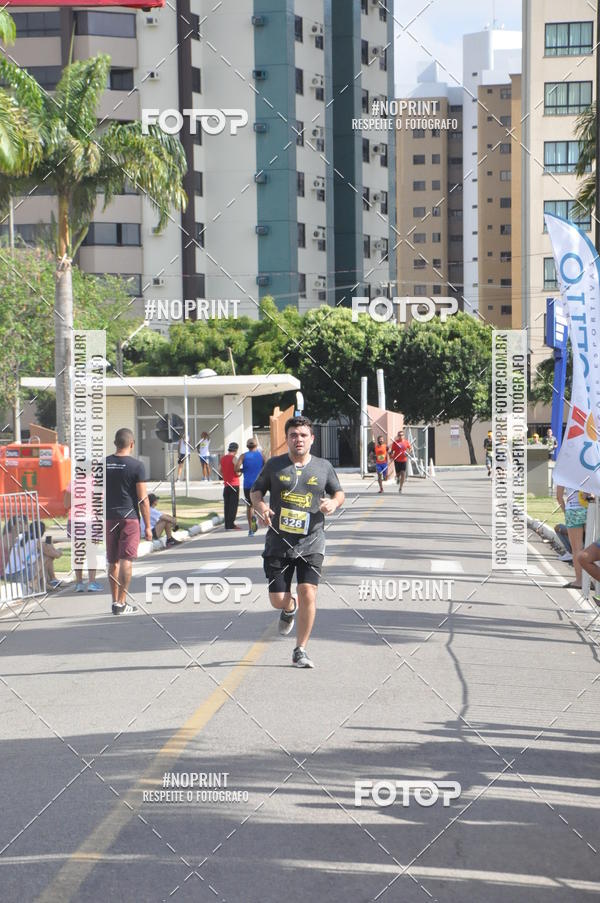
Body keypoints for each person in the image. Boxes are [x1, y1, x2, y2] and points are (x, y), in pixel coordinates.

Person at [250, 415, 345, 669]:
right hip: (278, 544)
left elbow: (338, 491)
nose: (298, 439)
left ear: (312, 439)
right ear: (287, 439)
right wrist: (261, 507)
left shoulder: (323, 467)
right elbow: (256, 490)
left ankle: (300, 649)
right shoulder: (274, 465)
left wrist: (333, 503)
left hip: (312, 541)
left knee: (308, 593)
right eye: (293, 435)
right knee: (278, 598)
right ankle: (288, 607)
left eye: (303, 435)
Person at [106, 427, 151, 615]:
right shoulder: (137, 466)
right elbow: (142, 499)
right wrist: (148, 526)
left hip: (110, 518)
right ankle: (122, 603)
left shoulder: (104, 464)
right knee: (126, 560)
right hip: (129, 518)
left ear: (115, 443)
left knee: (113, 561)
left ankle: (115, 601)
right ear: (131, 444)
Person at [64, 480, 102, 592]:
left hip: (76, 520)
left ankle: (79, 583)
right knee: (91, 553)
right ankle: (91, 582)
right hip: (92, 521)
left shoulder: (73, 484)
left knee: (78, 553)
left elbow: (66, 504)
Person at [557, 485, 588, 589]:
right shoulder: (588, 469)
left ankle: (580, 580)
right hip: (590, 508)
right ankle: (594, 579)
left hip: (573, 509)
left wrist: (566, 512)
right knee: (593, 546)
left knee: (577, 549)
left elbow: (559, 497)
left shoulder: (562, 472)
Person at [235, 438, 265, 535]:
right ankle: (259, 517)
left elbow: (236, 468)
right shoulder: (261, 455)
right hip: (259, 484)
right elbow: (267, 466)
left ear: (247, 446)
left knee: (249, 506)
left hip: (247, 484)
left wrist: (243, 470)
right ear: (256, 446)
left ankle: (251, 529)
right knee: (259, 503)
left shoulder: (243, 456)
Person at [220, 442, 241, 530]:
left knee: (227, 505)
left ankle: (227, 525)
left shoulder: (222, 458)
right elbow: (237, 471)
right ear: (236, 450)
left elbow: (220, 470)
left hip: (226, 485)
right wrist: (240, 474)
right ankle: (231, 524)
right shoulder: (234, 458)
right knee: (233, 505)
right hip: (234, 484)